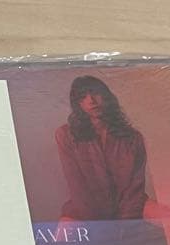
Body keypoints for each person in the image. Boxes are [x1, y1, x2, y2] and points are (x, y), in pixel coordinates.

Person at [56, 76, 148, 221]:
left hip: (128, 208)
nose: (91, 100)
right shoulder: (66, 135)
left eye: (94, 92)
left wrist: (126, 223)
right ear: (78, 103)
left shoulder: (133, 138)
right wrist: (97, 226)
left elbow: (135, 188)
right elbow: (77, 187)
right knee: (64, 231)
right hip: (84, 211)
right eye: (83, 96)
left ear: (106, 95)